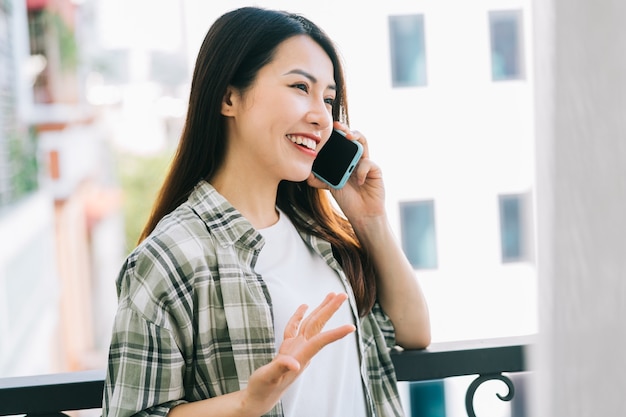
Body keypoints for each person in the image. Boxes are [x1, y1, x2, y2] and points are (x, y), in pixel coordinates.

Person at [102, 6, 431, 417]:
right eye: (300, 87)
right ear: (228, 97)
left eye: (328, 99)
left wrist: (369, 219)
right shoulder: (171, 257)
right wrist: (245, 404)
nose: (321, 116)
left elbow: (413, 333)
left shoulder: (320, 239)